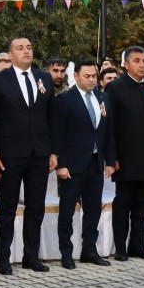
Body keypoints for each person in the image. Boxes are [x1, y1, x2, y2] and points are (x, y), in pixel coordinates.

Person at [0, 37, 56, 274]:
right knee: (7, 207)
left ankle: (31, 256)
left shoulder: (44, 78)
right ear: (10, 54)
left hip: (39, 153)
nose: (26, 51)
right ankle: (3, 259)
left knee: (36, 207)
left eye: (29, 47)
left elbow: (50, 116)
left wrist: (53, 151)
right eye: (20, 48)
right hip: (10, 154)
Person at [105, 46, 144, 262]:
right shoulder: (115, 88)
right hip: (126, 157)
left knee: (143, 202)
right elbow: (110, 125)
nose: (142, 65)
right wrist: (112, 157)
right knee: (123, 203)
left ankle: (138, 246)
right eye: (137, 61)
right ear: (126, 64)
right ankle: (121, 248)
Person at [50, 59, 113, 269]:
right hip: (72, 165)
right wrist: (61, 163)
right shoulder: (65, 100)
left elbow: (108, 132)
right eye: (87, 76)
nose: (92, 80)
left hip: (96, 162)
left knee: (93, 208)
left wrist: (110, 161)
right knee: (67, 210)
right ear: (76, 76)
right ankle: (66, 253)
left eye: (94, 76)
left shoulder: (103, 98)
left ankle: (90, 250)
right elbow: (58, 134)